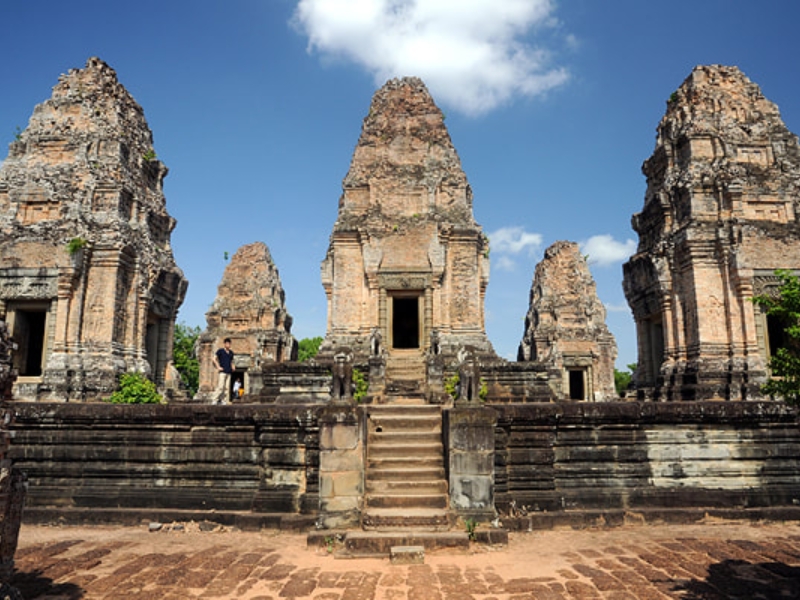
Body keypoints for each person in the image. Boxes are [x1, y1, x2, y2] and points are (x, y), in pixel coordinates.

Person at [212, 338, 235, 405]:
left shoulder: (231, 353)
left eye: (229, 343)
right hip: (222, 371)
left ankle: (223, 400)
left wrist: (233, 366)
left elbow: (231, 361)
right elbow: (214, 359)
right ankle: (215, 399)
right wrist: (218, 367)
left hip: (229, 371)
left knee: (226, 388)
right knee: (220, 387)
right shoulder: (220, 351)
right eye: (227, 343)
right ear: (224, 344)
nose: (228, 345)